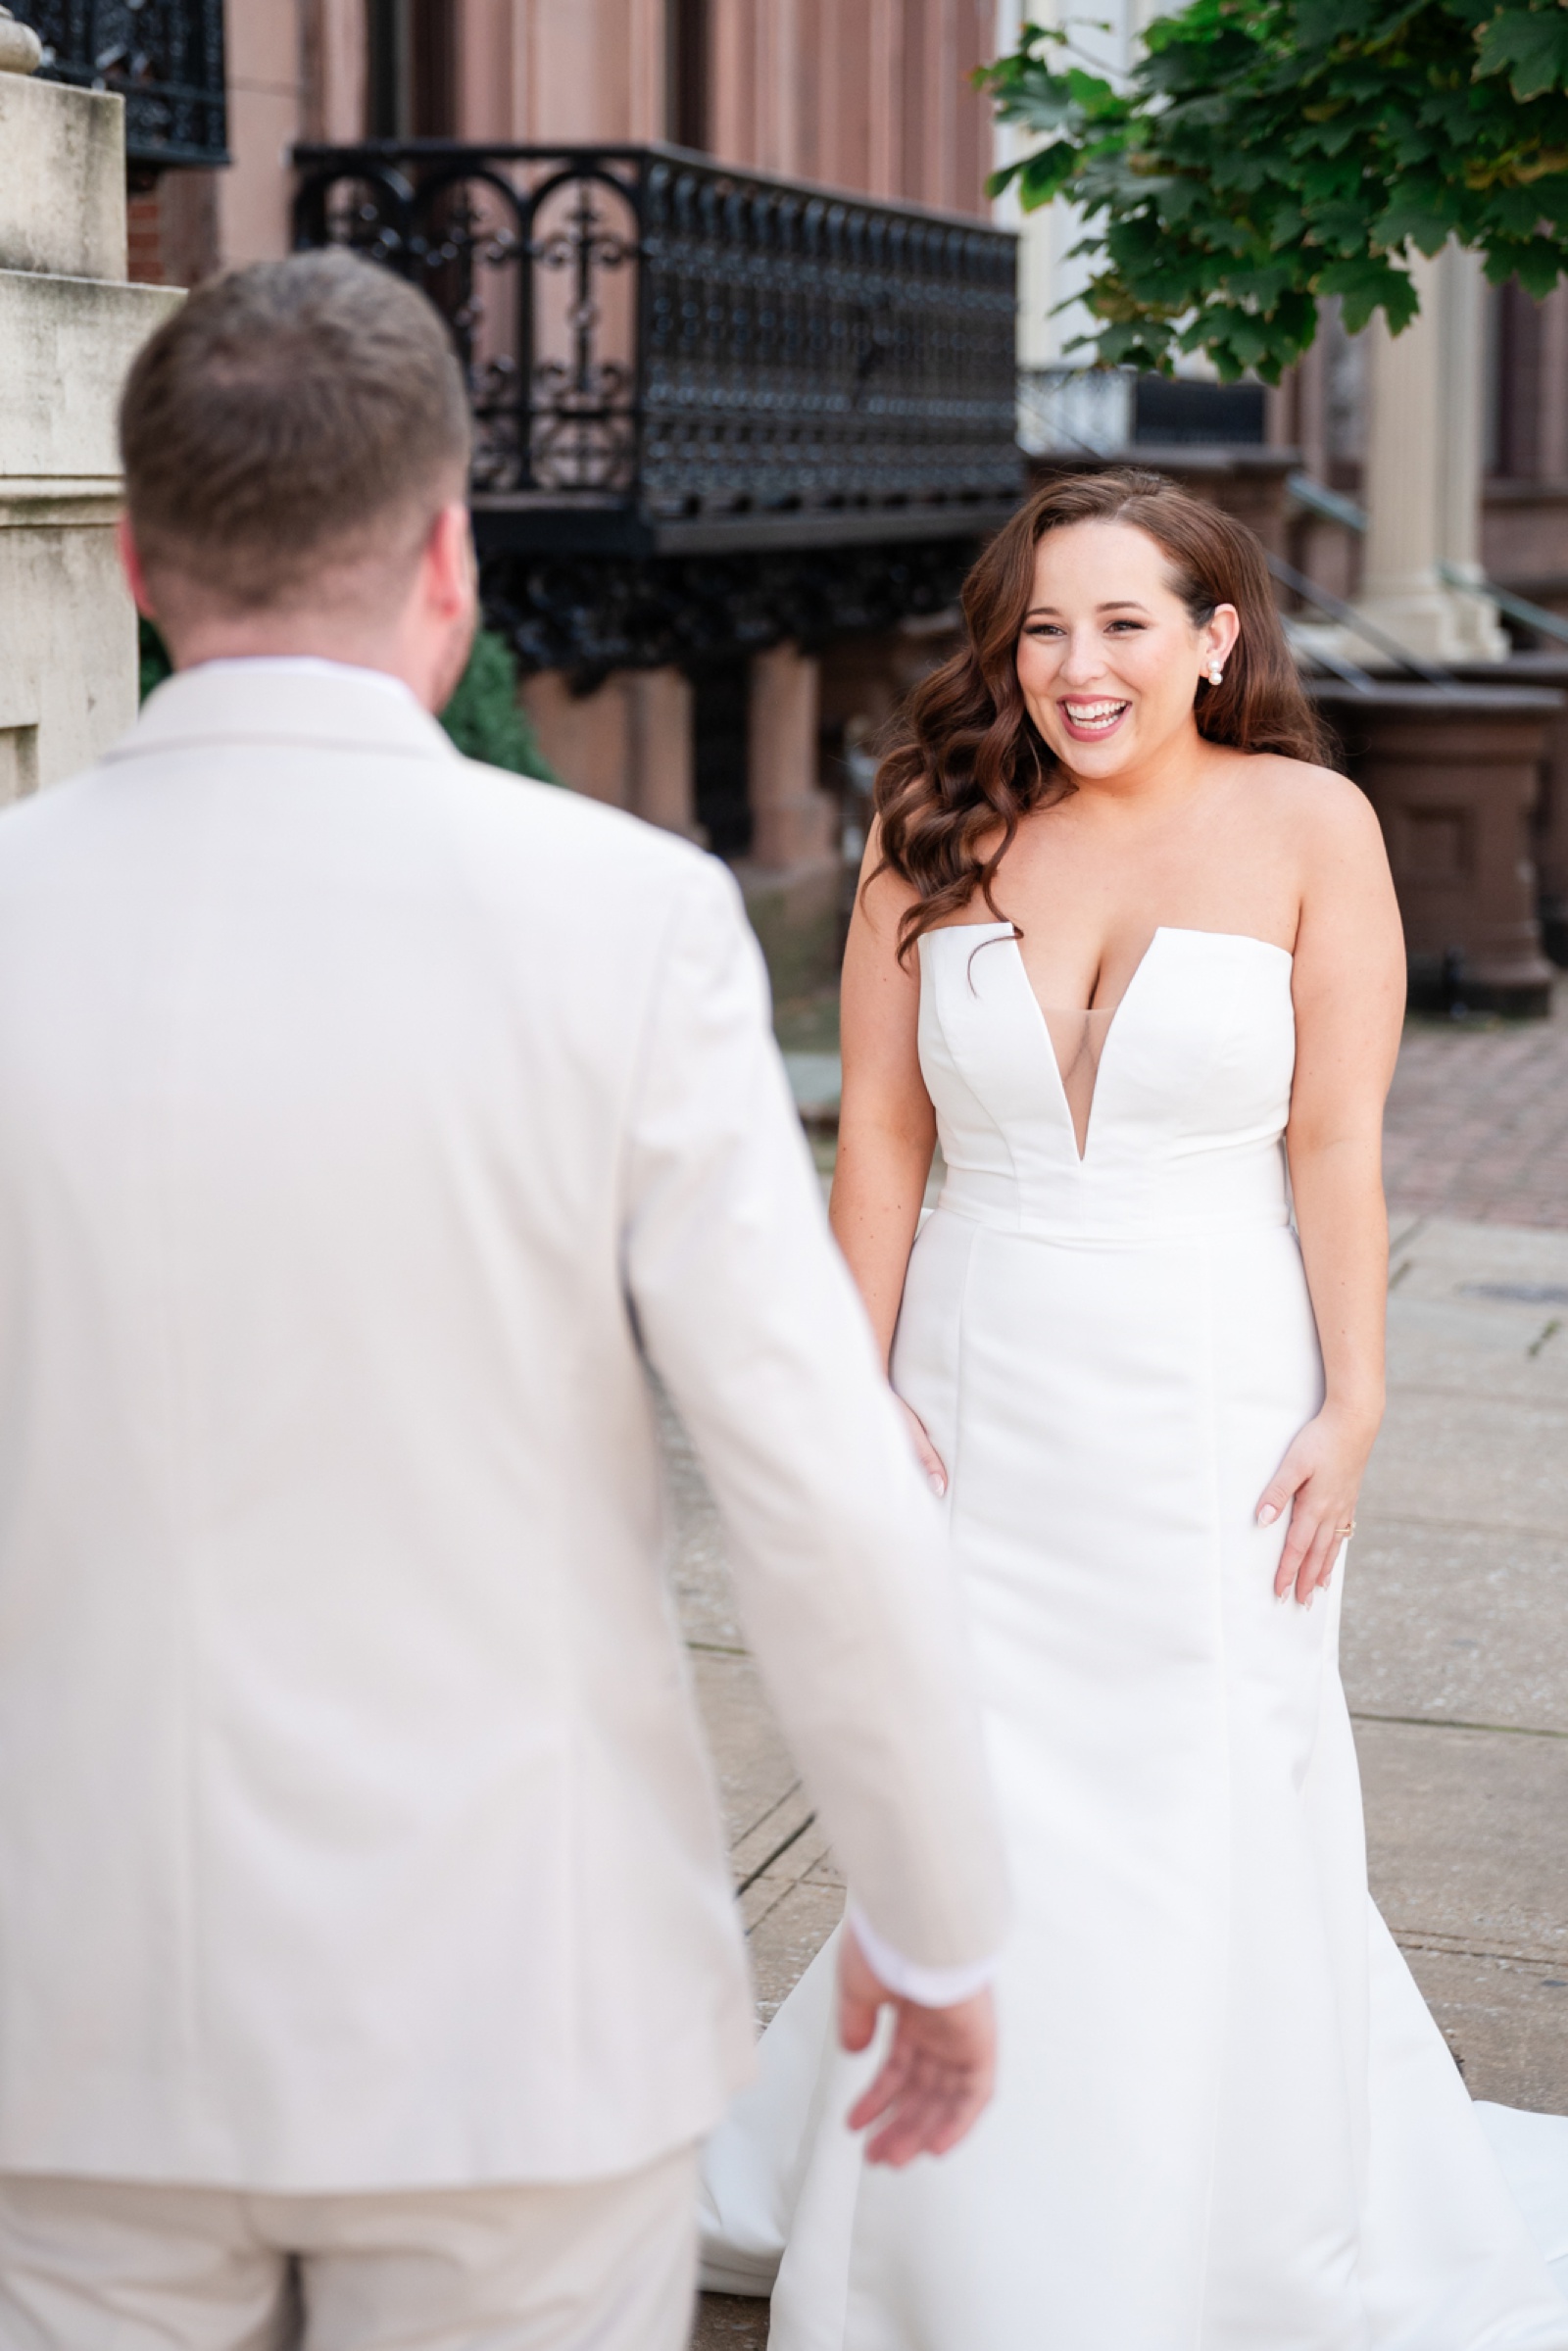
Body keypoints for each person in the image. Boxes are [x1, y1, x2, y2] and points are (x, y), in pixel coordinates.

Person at [0, 251, 1010, 2351]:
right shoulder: (622, 921)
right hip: (509, 2010)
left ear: (129, 564)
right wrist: (929, 1922)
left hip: (55, 2002)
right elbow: (815, 1483)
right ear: (451, 550)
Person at [700, 470, 1568, 2347]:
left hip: (1216, 1385)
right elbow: (884, 1157)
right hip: (978, 1380)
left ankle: (1209, 2232)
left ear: (1214, 639)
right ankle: (947, 2236)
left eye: (1121, 626)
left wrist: (1357, 1403)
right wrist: (851, 1393)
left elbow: (1336, 1138)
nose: (1077, 669)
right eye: (1041, 628)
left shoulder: (1311, 824)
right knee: (971, 1798)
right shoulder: (931, 824)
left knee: (1210, 1796)